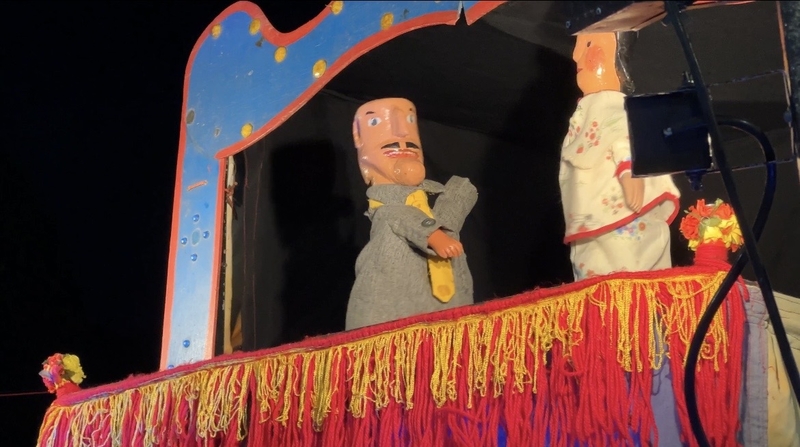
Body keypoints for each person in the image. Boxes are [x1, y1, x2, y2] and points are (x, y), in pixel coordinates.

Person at [345, 98, 478, 330]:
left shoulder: (425, 208)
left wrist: (457, 197)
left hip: (446, 313)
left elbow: (445, 225)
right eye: (375, 122)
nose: (401, 134)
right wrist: (433, 235)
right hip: (391, 312)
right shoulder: (388, 210)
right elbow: (399, 215)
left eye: (408, 119)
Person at [560, 32, 681, 280]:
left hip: (618, 208)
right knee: (594, 261)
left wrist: (628, 170)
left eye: (589, 45)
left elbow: (623, 134)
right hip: (590, 211)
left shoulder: (611, 103)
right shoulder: (589, 107)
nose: (576, 56)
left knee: (626, 258)